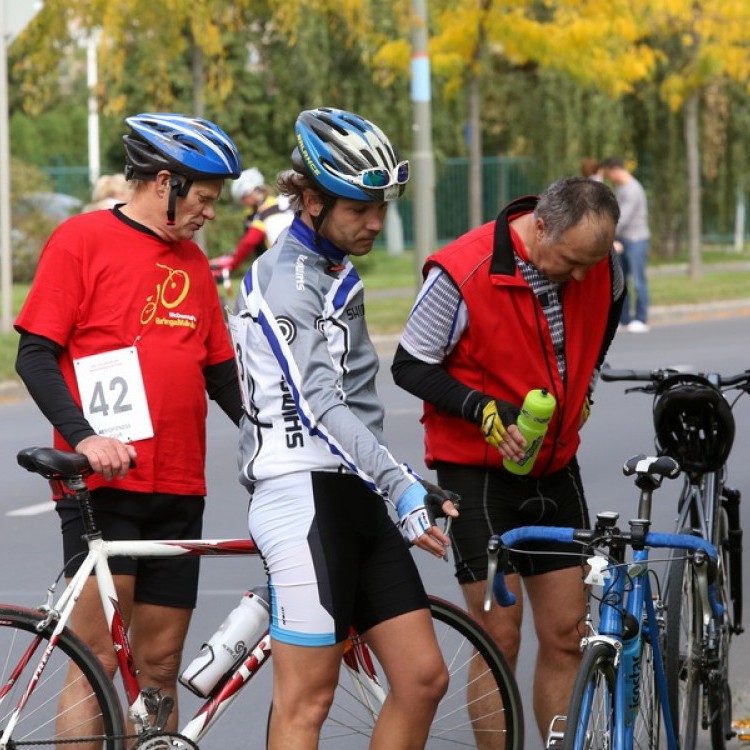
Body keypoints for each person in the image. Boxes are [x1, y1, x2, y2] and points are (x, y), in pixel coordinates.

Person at [231, 106, 458, 750]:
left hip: (353, 492)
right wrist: (399, 485)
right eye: (358, 207)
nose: (376, 222)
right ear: (308, 199)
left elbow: (359, 405)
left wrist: (402, 480)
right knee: (307, 703)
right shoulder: (284, 282)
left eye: (382, 205)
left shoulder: (339, 274)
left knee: (421, 679)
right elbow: (322, 405)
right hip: (297, 496)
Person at [14, 112, 244, 740]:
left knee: (160, 664)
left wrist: (271, 437)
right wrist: (86, 437)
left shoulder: (193, 262)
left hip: (178, 484)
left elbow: (223, 374)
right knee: (95, 660)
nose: (209, 213)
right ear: (165, 183)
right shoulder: (81, 239)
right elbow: (34, 354)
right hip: (104, 486)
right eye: (202, 198)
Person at [391, 176, 625, 745]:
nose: (579, 276)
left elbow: (604, 330)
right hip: (477, 473)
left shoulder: (604, 269)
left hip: (555, 466)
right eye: (569, 261)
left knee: (569, 633)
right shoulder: (460, 272)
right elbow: (409, 365)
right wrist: (484, 410)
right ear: (540, 226)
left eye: (589, 266)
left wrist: (583, 388)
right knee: (500, 634)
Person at [600, 156, 651, 332]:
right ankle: (625, 318)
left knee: (638, 280)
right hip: (623, 240)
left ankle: (641, 319)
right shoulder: (622, 188)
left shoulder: (632, 189)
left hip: (636, 240)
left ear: (615, 170)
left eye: (609, 174)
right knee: (621, 281)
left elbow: (622, 219)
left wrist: (607, 235)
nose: (610, 178)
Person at [224, 166, 293, 271]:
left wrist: (233, 265)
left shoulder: (267, 211)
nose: (244, 202)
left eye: (244, 197)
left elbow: (249, 242)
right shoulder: (280, 204)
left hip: (281, 265)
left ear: (254, 191)